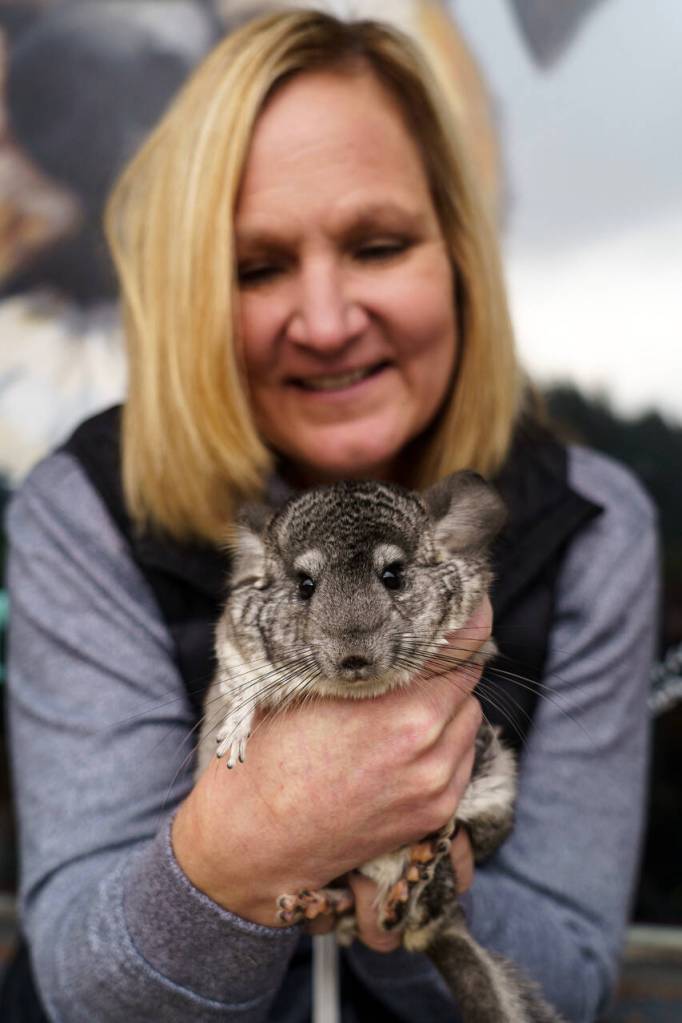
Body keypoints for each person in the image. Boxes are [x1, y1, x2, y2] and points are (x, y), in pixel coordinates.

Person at [3, 10, 657, 1023]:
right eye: (258, 266)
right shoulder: (88, 507)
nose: (324, 321)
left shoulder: (592, 524)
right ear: (195, 294)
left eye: (378, 245)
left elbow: (564, 979)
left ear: (456, 253)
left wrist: (402, 885)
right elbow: (86, 987)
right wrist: (256, 843)